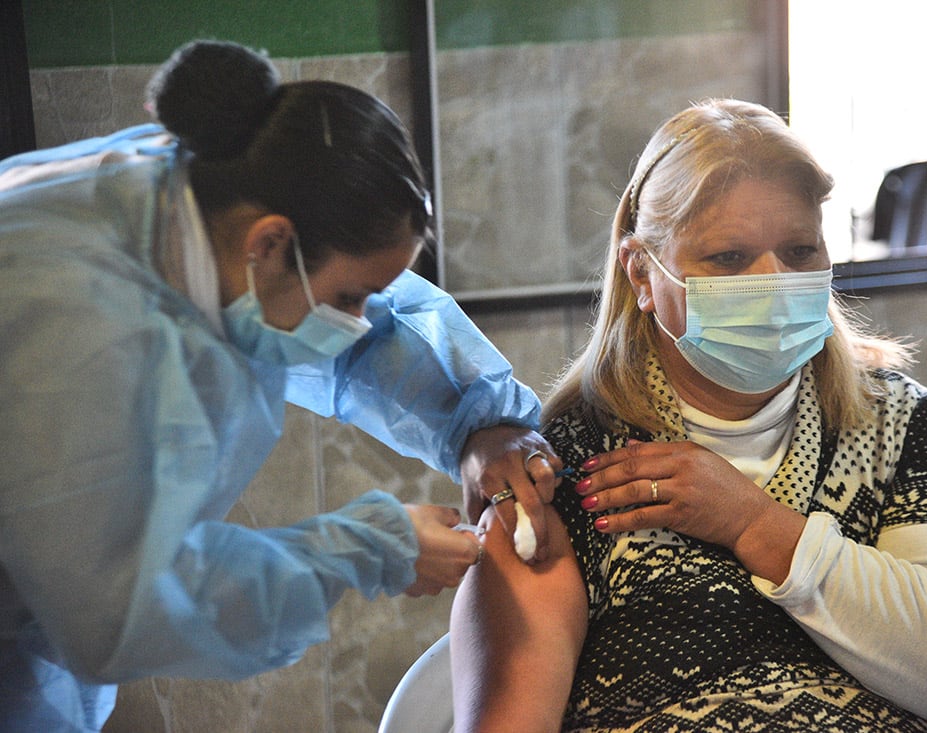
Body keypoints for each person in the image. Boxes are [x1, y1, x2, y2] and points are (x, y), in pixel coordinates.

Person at [0, 40, 561, 733]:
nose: (360, 324)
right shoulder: (70, 322)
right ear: (269, 245)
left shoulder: (211, 192)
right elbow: (115, 606)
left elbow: (379, 321)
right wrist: (363, 549)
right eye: (351, 298)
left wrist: (480, 425)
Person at [450, 98, 927, 732]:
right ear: (642, 273)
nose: (773, 282)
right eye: (728, 258)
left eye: (800, 251)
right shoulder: (565, 467)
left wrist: (752, 523)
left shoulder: (892, 424)